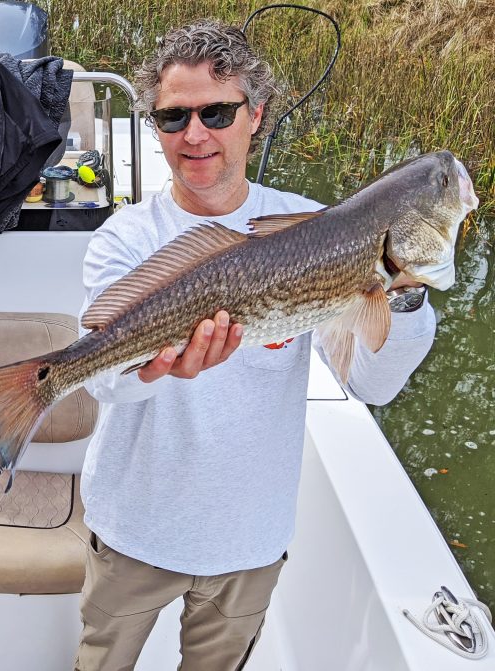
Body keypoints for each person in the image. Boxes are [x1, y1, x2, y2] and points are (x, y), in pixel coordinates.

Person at [74, 19, 436, 671]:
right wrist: (162, 367)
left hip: (249, 538)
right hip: (134, 526)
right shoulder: (124, 237)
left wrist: (401, 290)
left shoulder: (315, 228)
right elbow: (102, 378)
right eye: (172, 117)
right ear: (154, 126)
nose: (195, 134)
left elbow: (372, 383)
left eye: (216, 111)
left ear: (256, 114)